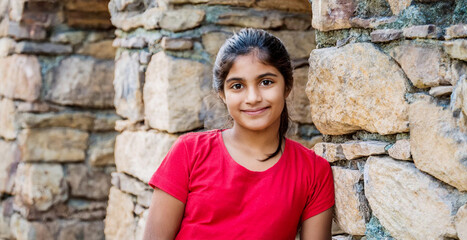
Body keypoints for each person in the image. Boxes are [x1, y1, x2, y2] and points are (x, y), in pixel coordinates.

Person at [144, 28, 335, 240]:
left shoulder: (314, 172)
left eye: (266, 82)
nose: (252, 97)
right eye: (237, 86)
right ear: (222, 94)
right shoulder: (189, 152)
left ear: (287, 86)